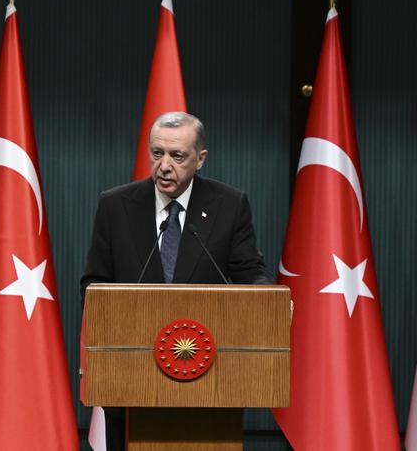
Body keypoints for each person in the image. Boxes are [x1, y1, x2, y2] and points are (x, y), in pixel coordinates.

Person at [80, 111, 274, 450]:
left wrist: (269, 298)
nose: (164, 165)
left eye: (177, 156)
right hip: (132, 380)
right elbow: (94, 285)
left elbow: (249, 272)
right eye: (157, 153)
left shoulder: (228, 205)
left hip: (208, 381)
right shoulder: (115, 206)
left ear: (200, 159)